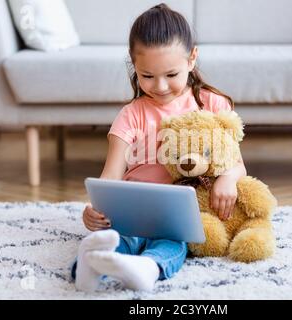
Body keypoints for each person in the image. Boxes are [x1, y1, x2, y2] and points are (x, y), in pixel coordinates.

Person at [72, 3, 247, 292]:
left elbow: (236, 163)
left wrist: (227, 179)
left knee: (174, 243)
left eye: (171, 74)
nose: (161, 86)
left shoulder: (214, 105)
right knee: (120, 237)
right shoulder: (131, 114)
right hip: (130, 212)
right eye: (148, 76)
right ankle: (90, 265)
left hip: (178, 217)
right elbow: (111, 174)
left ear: (192, 59)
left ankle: (147, 268)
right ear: (134, 64)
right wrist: (94, 208)